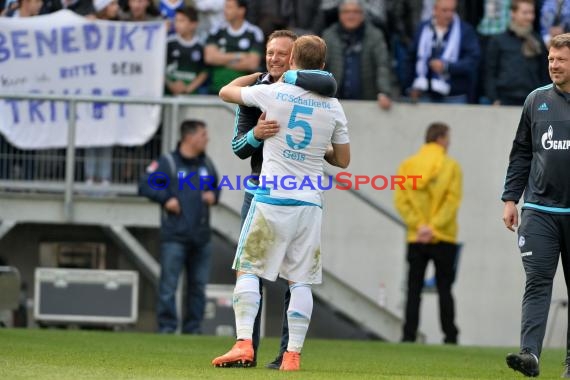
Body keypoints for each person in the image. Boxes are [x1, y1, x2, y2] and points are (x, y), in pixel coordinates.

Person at [212, 35, 350, 371]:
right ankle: (292, 356)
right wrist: (319, 149)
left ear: (292, 62)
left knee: (248, 268)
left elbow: (225, 92)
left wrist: (253, 76)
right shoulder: (333, 106)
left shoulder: (271, 93)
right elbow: (343, 160)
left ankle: (244, 343)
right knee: (300, 279)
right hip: (309, 200)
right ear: (322, 64)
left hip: (272, 195)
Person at [502, 32, 570, 378]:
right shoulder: (536, 101)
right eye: (550, 59)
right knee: (538, 283)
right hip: (540, 212)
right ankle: (530, 355)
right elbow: (522, 153)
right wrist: (511, 198)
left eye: (560, 60)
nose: (553, 65)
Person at [138, 119, 220, 334]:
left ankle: (193, 330)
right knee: (168, 287)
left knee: (198, 288)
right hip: (175, 236)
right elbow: (145, 185)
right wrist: (165, 199)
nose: (207, 139)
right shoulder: (168, 163)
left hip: (201, 238)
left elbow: (216, 188)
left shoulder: (206, 164)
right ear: (189, 137)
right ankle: (166, 329)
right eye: (203, 135)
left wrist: (214, 195)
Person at [394, 122, 462, 344]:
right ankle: (450, 336)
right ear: (441, 138)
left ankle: (408, 335)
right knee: (445, 288)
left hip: (416, 237)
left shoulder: (407, 165)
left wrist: (419, 226)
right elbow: (452, 202)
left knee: (414, 289)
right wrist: (433, 228)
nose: (450, 142)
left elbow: (401, 201)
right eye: (448, 137)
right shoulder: (451, 167)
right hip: (444, 237)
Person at [322, 0, 393, 110]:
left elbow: (382, 65)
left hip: (367, 101)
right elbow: (320, 66)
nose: (351, 16)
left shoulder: (375, 35)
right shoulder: (328, 35)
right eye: (346, 12)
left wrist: (384, 91)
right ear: (340, 15)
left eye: (356, 12)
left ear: (363, 15)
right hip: (334, 102)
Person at [407, 0, 481, 104]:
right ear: (435, 10)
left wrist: (447, 67)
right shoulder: (422, 29)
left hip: (454, 96)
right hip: (424, 94)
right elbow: (411, 59)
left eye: (452, 10)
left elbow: (472, 61)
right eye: (445, 10)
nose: (449, 15)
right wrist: (410, 86)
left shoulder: (465, 31)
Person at [485, 0, 549, 106]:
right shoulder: (499, 40)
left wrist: (543, 98)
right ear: (513, 13)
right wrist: (494, 99)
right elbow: (489, 72)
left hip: (532, 100)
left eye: (531, 13)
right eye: (525, 13)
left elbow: (544, 73)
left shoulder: (537, 40)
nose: (529, 17)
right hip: (505, 99)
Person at [204, 0, 264, 94]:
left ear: (241, 10)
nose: (225, 10)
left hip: (242, 92)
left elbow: (252, 64)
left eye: (229, 7)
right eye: (225, 7)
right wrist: (238, 55)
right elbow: (209, 58)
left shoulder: (254, 32)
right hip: (215, 90)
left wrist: (220, 60)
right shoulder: (216, 30)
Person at [165, 7, 209, 96]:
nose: (177, 24)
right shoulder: (168, 43)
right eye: (176, 20)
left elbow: (204, 72)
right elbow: (158, 68)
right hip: (168, 95)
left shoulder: (201, 46)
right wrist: (171, 85)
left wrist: (188, 89)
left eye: (181, 21)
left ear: (193, 24)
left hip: (191, 96)